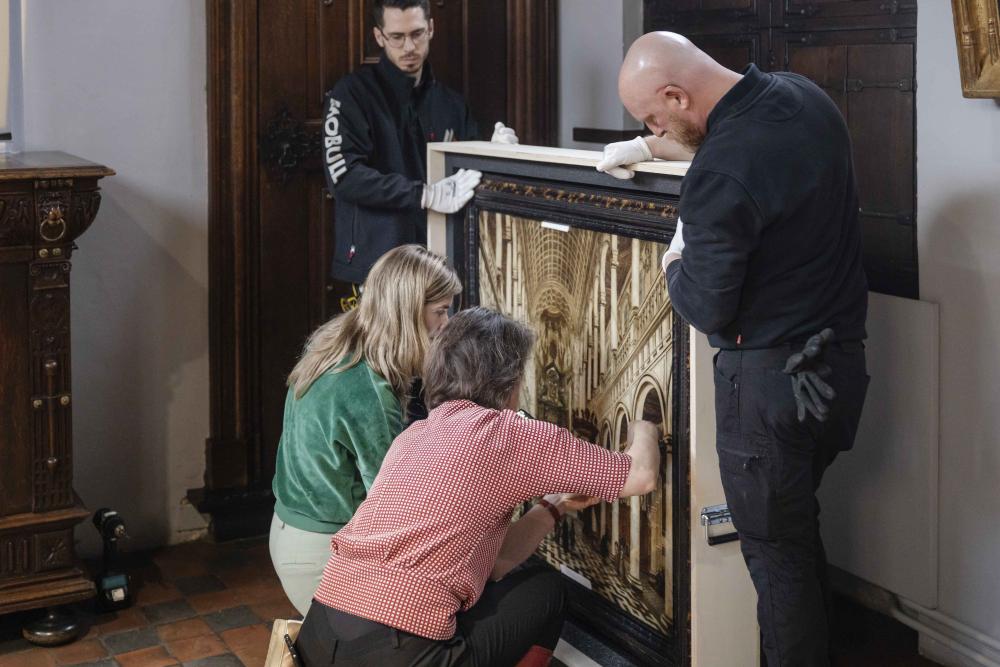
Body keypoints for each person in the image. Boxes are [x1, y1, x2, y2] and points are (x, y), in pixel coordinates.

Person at [598, 32, 869, 666]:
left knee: (776, 561)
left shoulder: (719, 174)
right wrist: (650, 146)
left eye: (653, 118)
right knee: (796, 539)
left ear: (676, 94)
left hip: (769, 391)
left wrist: (674, 258)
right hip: (840, 368)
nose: (653, 128)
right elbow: (745, 157)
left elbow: (703, 304)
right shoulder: (806, 100)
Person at [295, 307, 662, 666]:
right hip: (395, 653)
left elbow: (495, 562)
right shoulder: (508, 433)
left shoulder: (415, 435)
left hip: (320, 634)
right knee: (545, 591)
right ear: (509, 378)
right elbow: (641, 475)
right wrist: (645, 425)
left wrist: (554, 506)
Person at [269, 244, 462, 617]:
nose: (446, 324)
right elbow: (389, 502)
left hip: (289, 531)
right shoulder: (368, 389)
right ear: (408, 310)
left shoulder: (338, 338)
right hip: (319, 551)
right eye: (440, 311)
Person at [324, 0, 517, 290]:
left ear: (431, 28)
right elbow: (346, 178)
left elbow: (466, 176)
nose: (409, 47)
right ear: (379, 37)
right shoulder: (351, 94)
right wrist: (424, 194)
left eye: (416, 34)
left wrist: (494, 154)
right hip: (376, 262)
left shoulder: (451, 103)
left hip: (439, 256)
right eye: (397, 37)